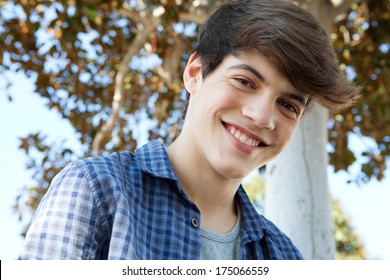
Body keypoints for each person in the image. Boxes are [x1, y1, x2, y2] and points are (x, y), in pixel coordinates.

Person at [19, 0, 359, 260]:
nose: (262, 117)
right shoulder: (95, 190)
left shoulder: (285, 257)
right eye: (244, 81)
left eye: (288, 105)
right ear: (195, 73)